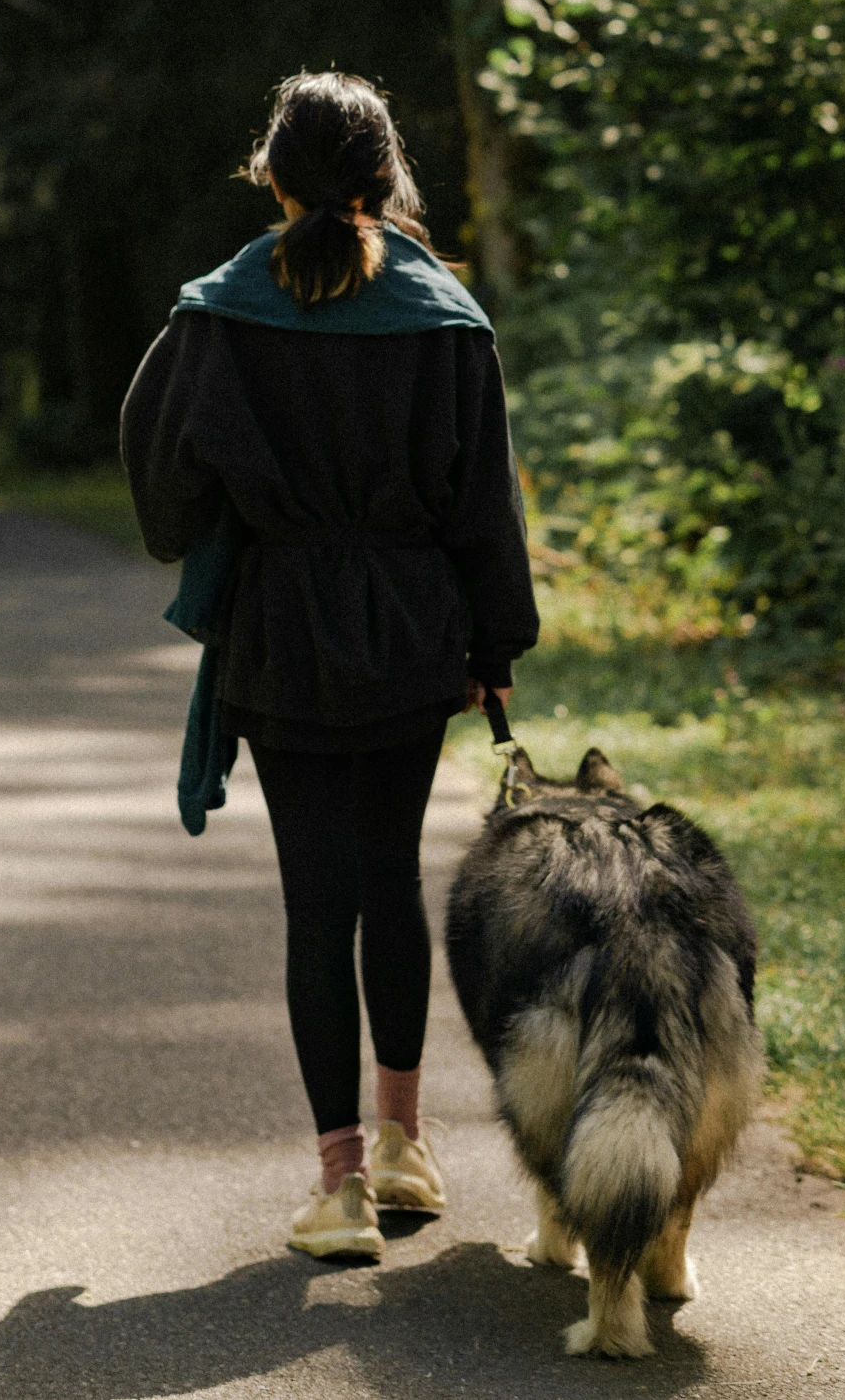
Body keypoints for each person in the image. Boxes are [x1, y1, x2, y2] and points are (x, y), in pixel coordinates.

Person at [121, 71, 539, 1261]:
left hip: (282, 627)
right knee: (389, 880)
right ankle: (411, 1150)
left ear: (273, 173)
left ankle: (341, 1186)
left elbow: (162, 484)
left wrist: (240, 519)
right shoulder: (443, 306)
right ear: (382, 175)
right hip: (413, 625)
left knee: (317, 902)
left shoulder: (219, 307)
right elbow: (483, 502)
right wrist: (493, 644)